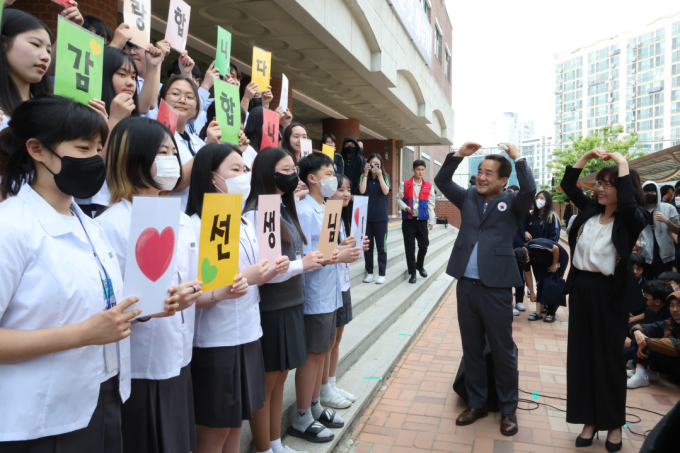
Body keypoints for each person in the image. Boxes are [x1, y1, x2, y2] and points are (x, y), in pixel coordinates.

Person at [0, 95, 140, 451]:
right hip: (39, 420)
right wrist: (83, 333)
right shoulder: (11, 227)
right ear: (37, 149)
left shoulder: (89, 224)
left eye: (98, 148)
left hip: (102, 394)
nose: (94, 159)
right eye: (82, 148)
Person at [96, 117, 203, 453]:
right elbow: (108, 305)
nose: (172, 160)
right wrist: (157, 307)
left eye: (174, 151)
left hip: (179, 355)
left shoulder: (176, 217)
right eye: (163, 151)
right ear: (135, 158)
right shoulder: (112, 224)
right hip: (142, 365)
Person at [186, 143, 289, 453]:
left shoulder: (243, 221)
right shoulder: (196, 225)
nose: (244, 175)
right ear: (212, 176)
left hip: (247, 335)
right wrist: (249, 278)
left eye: (245, 169)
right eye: (236, 169)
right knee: (214, 432)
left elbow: (256, 270)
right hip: (216, 342)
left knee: (234, 426)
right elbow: (196, 294)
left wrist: (273, 269)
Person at [434, 141, 536, 436]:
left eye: (489, 173)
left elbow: (530, 191)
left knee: (503, 351)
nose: (481, 177)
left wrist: (518, 158)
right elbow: (441, 180)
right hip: (466, 285)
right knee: (472, 348)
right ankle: (476, 402)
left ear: (503, 180)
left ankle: (508, 409)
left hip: (497, 287)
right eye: (480, 171)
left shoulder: (513, 202)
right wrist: (458, 156)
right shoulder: (467, 197)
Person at [560, 148, 647, 452]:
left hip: (610, 294)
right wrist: (584, 158)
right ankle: (589, 421)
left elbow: (630, 202)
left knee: (609, 362)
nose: (599, 188)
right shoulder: (588, 211)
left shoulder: (631, 219)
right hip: (582, 289)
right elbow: (568, 186)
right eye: (598, 183)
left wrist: (622, 163)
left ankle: (613, 424)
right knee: (582, 357)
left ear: (622, 187)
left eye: (607, 184)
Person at [243, 147, 325, 453]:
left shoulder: (281, 206)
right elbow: (271, 270)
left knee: (280, 378)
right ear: (267, 172)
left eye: (294, 169)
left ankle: (274, 442)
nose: (293, 175)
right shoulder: (261, 209)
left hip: (290, 303)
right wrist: (302, 264)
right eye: (286, 169)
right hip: (272, 306)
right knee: (268, 381)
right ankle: (263, 446)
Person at [289, 152, 345, 443]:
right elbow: (314, 256)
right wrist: (339, 254)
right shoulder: (306, 211)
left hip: (330, 290)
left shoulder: (329, 207)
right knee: (312, 356)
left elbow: (330, 246)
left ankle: (314, 406)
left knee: (322, 351)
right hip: (315, 294)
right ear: (311, 179)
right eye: (327, 173)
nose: (332, 178)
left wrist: (344, 247)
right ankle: (301, 415)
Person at [159, 76, 222, 211]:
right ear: (162, 100)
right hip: (169, 217)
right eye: (175, 94)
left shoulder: (197, 141)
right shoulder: (156, 137)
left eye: (189, 97)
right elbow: (176, 183)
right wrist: (207, 148)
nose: (182, 100)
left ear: (196, 109)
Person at [0, 10, 53, 132]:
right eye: (35, 44)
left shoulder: (53, 111)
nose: (45, 56)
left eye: (48, 51)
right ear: (3, 44)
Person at [517, 190, 560, 320]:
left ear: (547, 201)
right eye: (537, 198)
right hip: (536, 256)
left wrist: (553, 261)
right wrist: (525, 232)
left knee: (550, 283)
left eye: (541, 198)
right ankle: (539, 311)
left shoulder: (552, 216)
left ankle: (551, 311)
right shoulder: (533, 217)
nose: (538, 200)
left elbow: (554, 239)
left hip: (549, 255)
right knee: (540, 282)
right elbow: (527, 230)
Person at [626, 292, 680, 388]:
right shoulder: (671, 322)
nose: (675, 309)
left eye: (679, 306)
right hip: (670, 369)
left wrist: (646, 341)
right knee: (646, 332)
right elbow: (646, 327)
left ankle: (646, 370)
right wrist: (637, 332)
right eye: (672, 305)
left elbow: (676, 346)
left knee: (667, 341)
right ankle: (642, 372)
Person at [397, 159, 435, 284]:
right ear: (413, 170)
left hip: (422, 220)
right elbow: (398, 199)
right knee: (410, 248)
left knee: (424, 245)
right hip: (408, 220)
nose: (420, 172)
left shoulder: (429, 186)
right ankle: (412, 272)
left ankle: (419, 265)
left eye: (423, 170)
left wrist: (431, 220)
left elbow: (431, 204)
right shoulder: (405, 184)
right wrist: (405, 207)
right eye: (418, 169)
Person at [515, 239, 569, 323]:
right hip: (542, 261)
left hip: (558, 257)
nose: (527, 261)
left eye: (527, 259)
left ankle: (551, 312)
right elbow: (528, 274)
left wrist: (554, 264)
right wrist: (532, 292)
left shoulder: (535, 245)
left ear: (527, 254)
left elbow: (555, 248)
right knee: (540, 283)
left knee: (552, 284)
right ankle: (538, 313)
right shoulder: (522, 257)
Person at [358, 153, 391, 284]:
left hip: (381, 217)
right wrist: (365, 174)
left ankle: (382, 273)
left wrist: (380, 175)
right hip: (366, 218)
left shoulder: (385, 176)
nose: (375, 167)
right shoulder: (363, 176)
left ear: (381, 165)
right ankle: (370, 272)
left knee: (381, 247)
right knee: (368, 247)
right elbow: (361, 191)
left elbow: (386, 191)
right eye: (372, 164)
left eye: (377, 164)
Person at [639, 181, 680, 280]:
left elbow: (678, 230)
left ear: (658, 192)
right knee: (646, 286)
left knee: (665, 286)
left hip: (665, 257)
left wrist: (667, 221)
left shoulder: (668, 208)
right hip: (644, 257)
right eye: (646, 191)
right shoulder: (638, 210)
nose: (650, 194)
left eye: (653, 191)